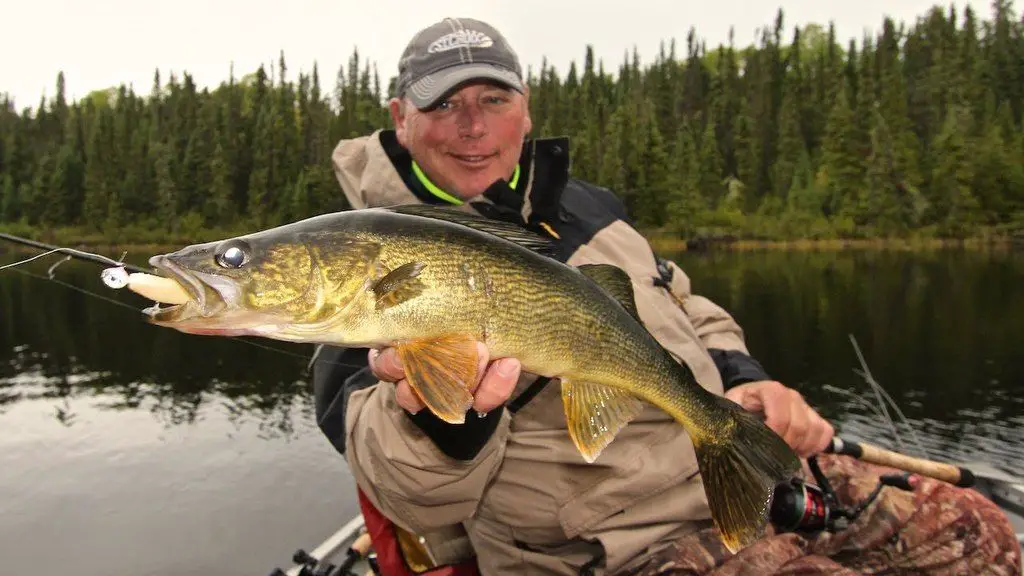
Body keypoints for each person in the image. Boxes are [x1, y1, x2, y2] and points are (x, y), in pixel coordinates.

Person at [312, 16, 1022, 576]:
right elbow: (409, 493)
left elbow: (682, 300)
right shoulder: (355, 279)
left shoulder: (587, 208)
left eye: (493, 100)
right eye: (445, 105)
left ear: (525, 112)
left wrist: (748, 381)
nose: (473, 126)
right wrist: (444, 417)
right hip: (618, 546)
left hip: (733, 461)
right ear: (402, 117)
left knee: (983, 534)